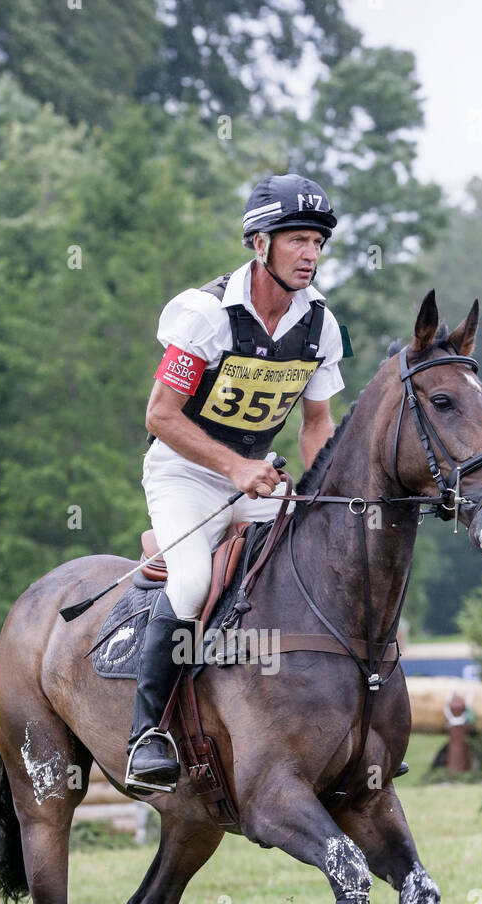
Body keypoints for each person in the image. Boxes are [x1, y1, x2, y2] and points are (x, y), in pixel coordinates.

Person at [126, 173, 346, 792]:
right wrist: (236, 469)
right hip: (186, 474)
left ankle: (337, 725)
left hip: (257, 481)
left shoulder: (320, 324)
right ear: (259, 244)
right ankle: (147, 734)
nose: (311, 254)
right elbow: (159, 416)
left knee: (322, 564)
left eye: (318, 243)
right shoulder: (204, 315)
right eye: (298, 240)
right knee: (193, 580)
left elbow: (316, 424)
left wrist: (319, 495)